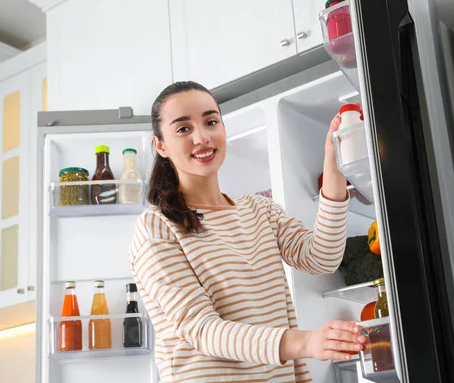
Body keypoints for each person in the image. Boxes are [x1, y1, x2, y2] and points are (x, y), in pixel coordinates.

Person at [128, 81, 367, 382]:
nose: (202, 137)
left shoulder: (258, 210)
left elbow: (321, 258)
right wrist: (306, 342)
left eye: (211, 122)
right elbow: (203, 330)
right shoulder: (156, 227)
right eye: (183, 129)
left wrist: (333, 167)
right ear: (161, 146)